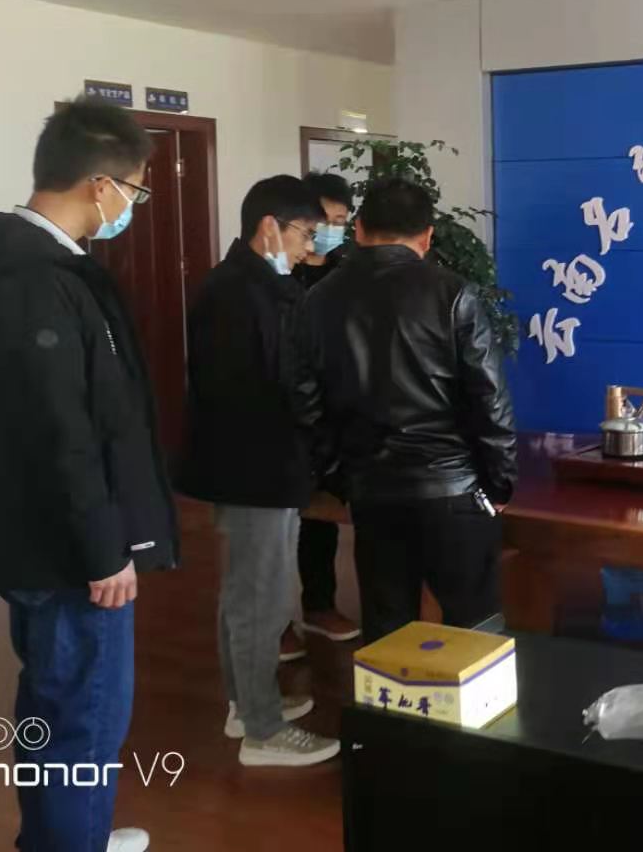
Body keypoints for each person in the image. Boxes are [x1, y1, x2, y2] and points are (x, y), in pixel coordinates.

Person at [0, 97, 177, 852]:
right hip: (69, 549)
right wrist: (105, 548)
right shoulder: (39, 281)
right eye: (134, 192)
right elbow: (61, 432)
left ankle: (63, 836)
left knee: (55, 697)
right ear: (100, 184)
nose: (131, 208)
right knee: (84, 716)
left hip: (40, 534)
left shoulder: (24, 268)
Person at [295, 177, 517, 643]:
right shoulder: (454, 294)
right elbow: (489, 400)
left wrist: (340, 478)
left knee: (386, 632)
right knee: (475, 631)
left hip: (373, 491)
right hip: (453, 489)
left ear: (358, 229)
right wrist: (499, 483)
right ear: (428, 235)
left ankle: (389, 695)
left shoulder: (318, 300)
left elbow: (307, 404)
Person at [181, 176, 339, 767]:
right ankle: (263, 730)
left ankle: (246, 705)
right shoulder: (239, 294)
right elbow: (272, 385)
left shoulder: (255, 286)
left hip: (265, 464)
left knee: (251, 592)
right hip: (256, 466)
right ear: (269, 227)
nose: (309, 248)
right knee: (259, 598)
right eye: (305, 233)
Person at [281, 171, 360, 661]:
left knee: (322, 521)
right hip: (285, 419)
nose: (332, 230)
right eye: (324, 220)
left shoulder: (346, 272)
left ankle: (320, 605)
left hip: (335, 416)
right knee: (275, 529)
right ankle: (275, 624)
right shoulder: (278, 273)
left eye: (340, 220)